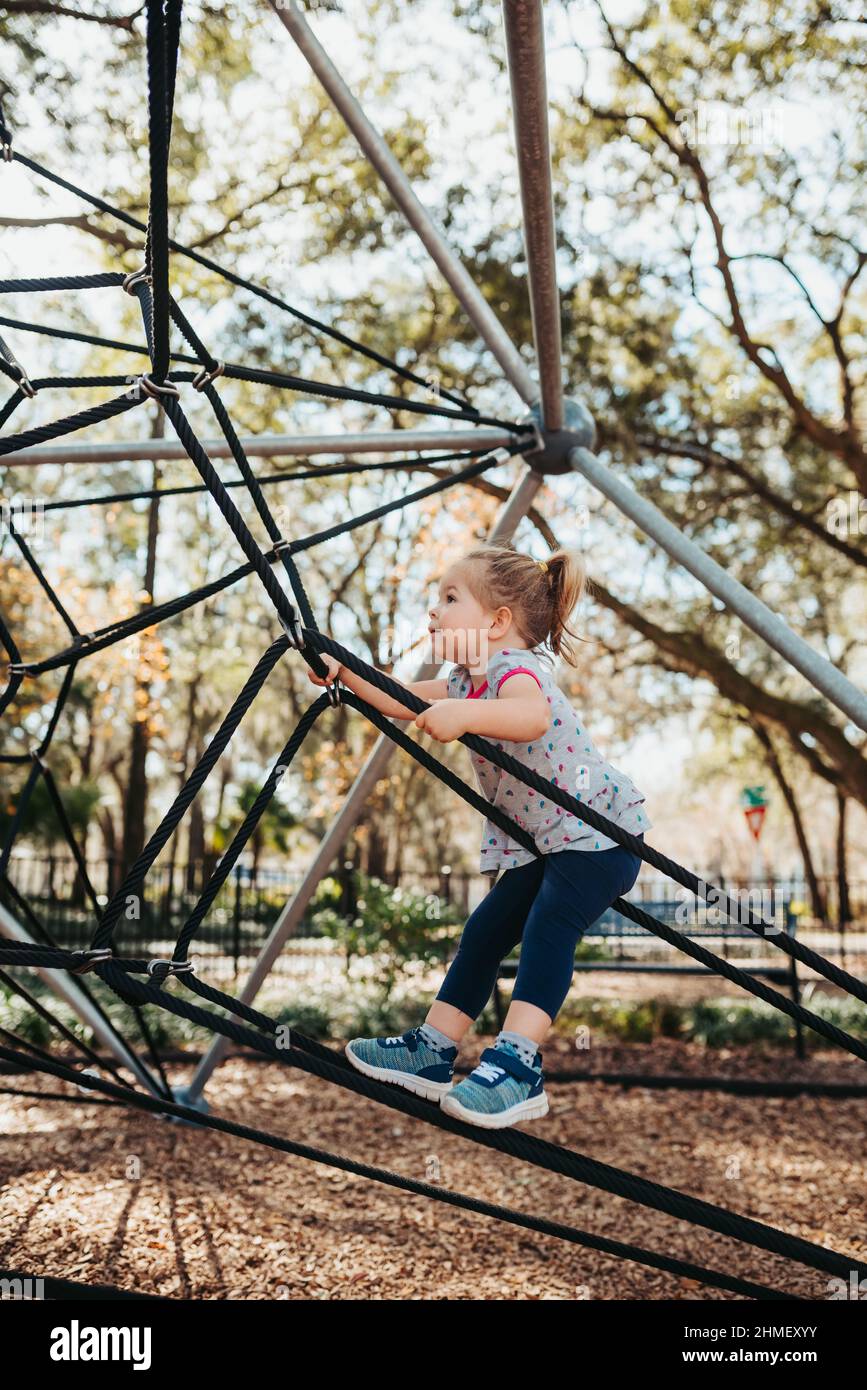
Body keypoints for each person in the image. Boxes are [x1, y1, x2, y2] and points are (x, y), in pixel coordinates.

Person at [305, 542, 651, 1130]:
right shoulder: (466, 683)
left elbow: (530, 717)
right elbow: (400, 698)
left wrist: (465, 718)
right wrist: (344, 673)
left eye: (448, 598)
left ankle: (518, 1066)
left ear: (496, 623)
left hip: (599, 838)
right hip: (548, 843)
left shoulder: (517, 671)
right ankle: (433, 1051)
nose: (433, 612)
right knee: (485, 930)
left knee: (548, 927)